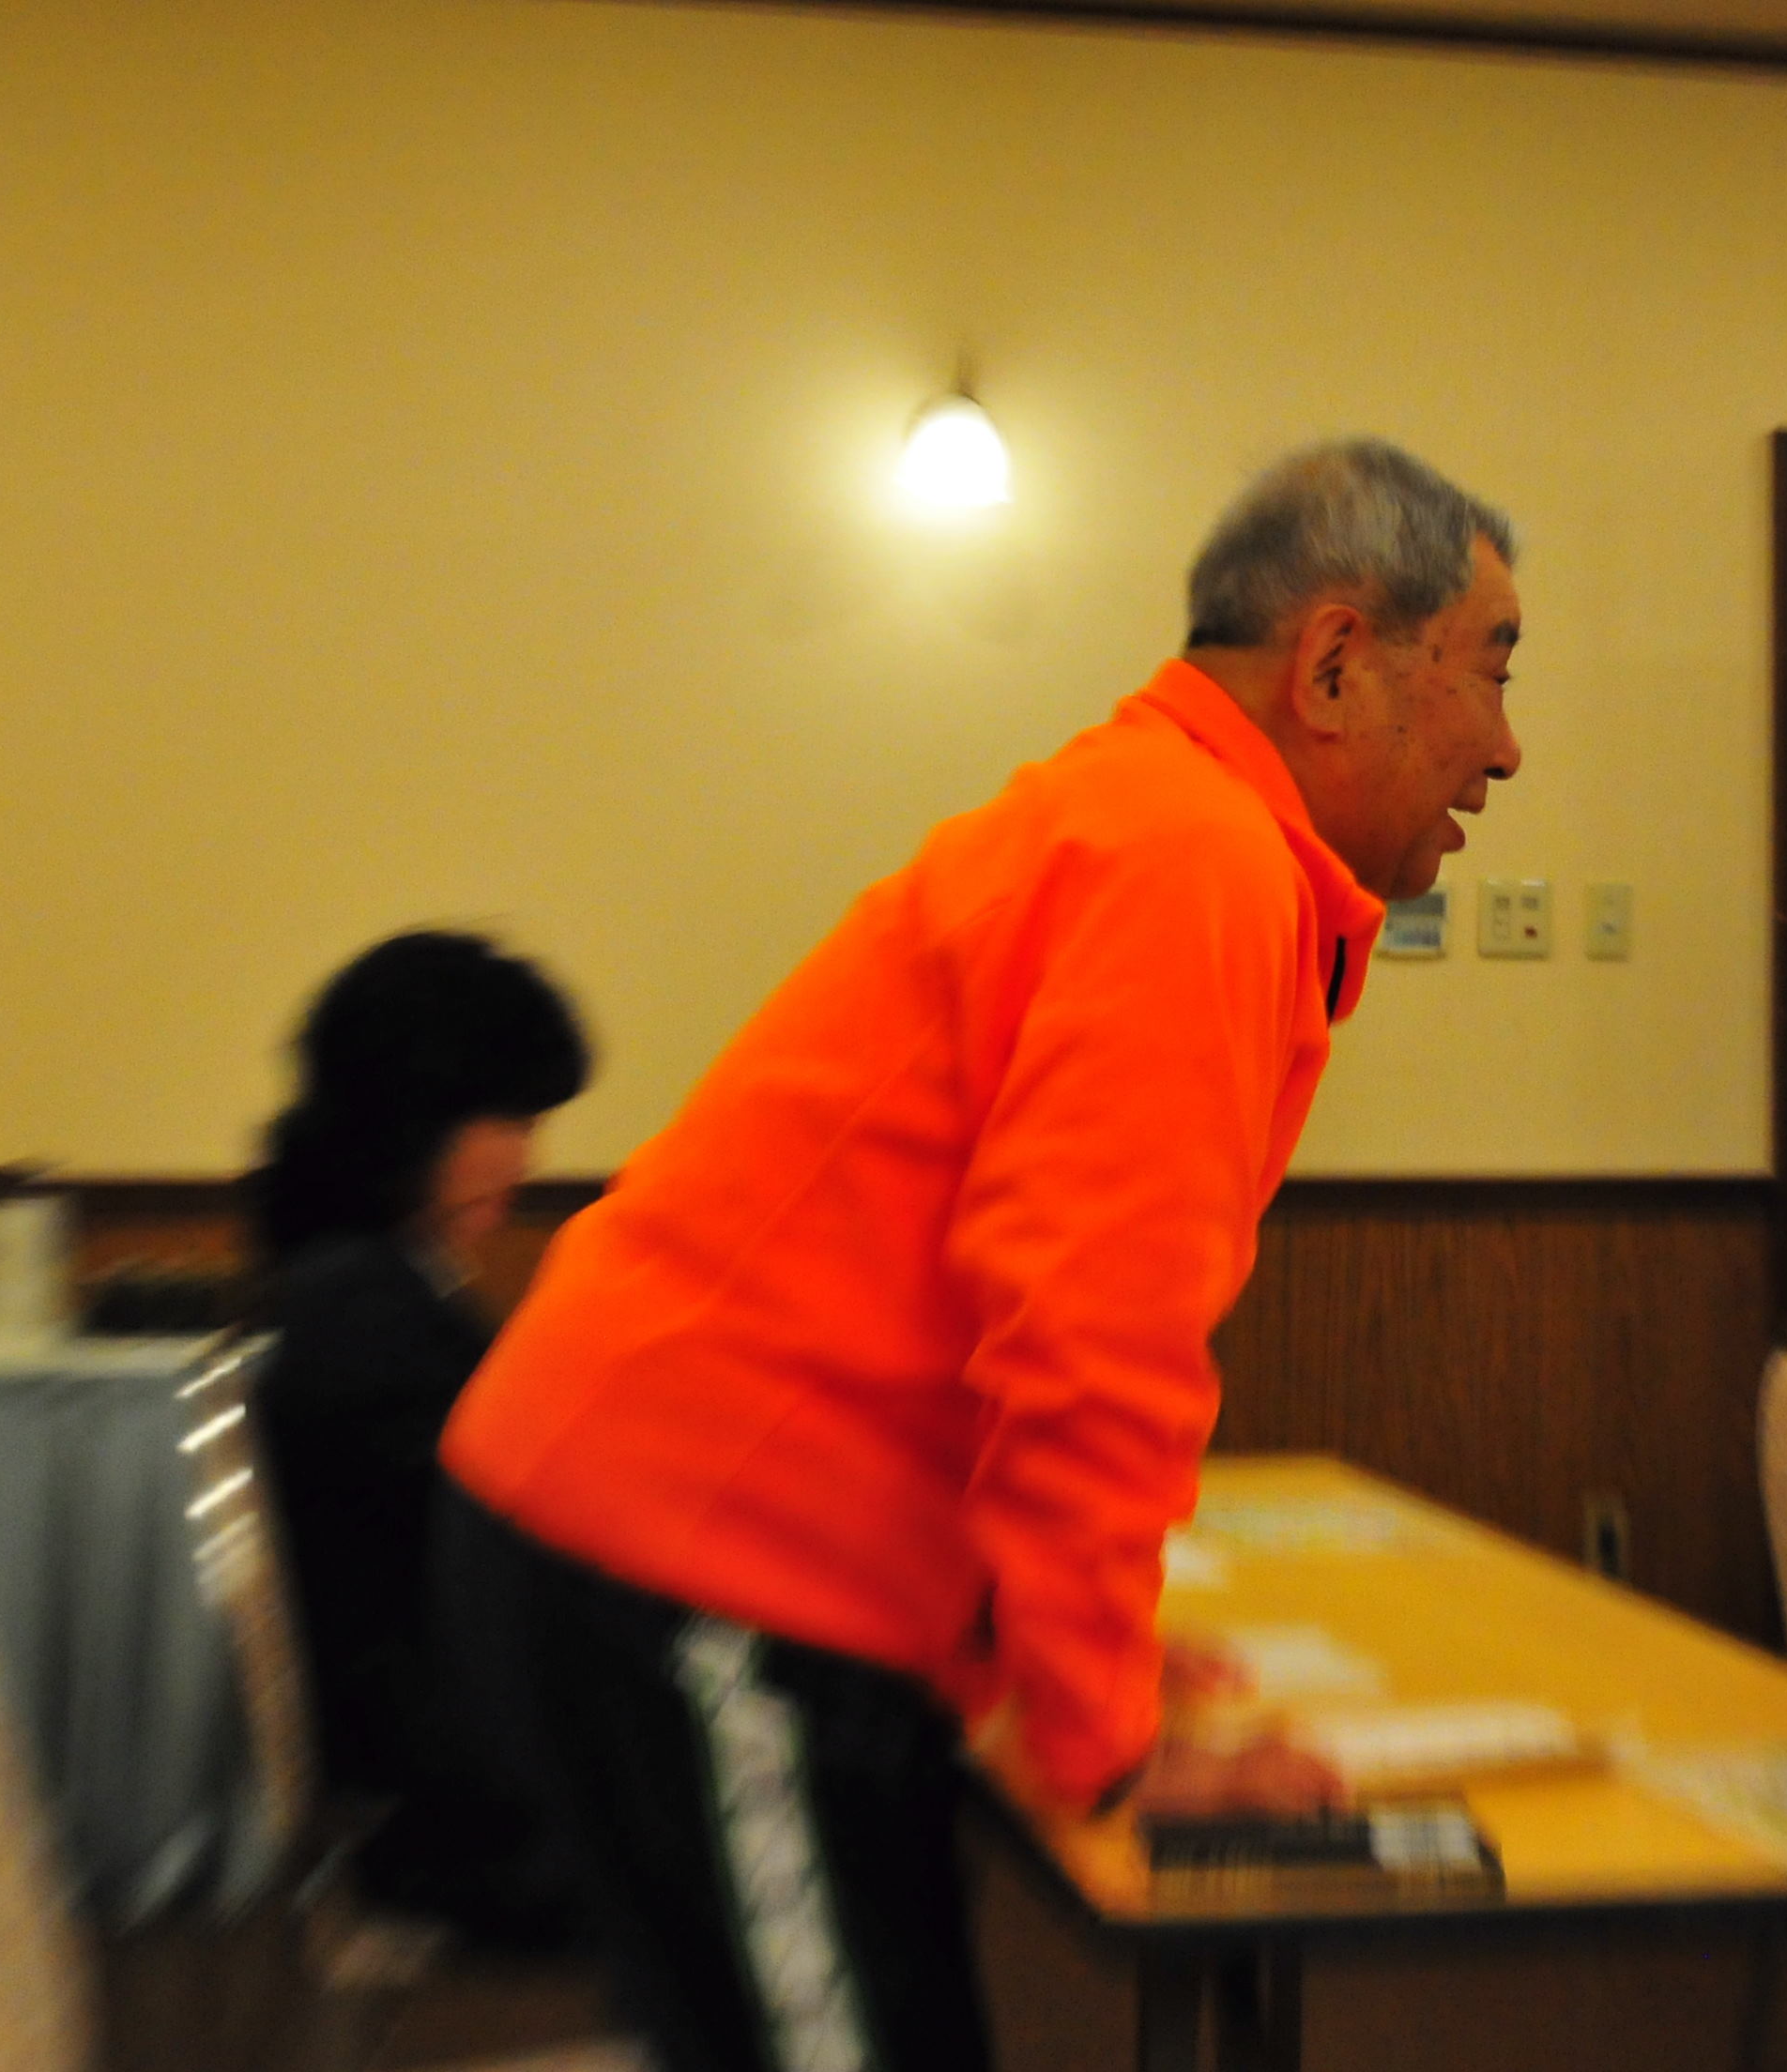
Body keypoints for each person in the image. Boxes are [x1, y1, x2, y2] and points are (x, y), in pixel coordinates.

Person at [433, 438, 1522, 2072]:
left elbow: (1016, 1293)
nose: (1506, 747)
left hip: (692, 1548)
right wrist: (1105, 1738)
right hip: (698, 1562)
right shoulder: (1193, 855)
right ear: (1335, 664)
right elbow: (1089, 1327)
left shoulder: (1155, 821)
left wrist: (1061, 1662)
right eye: (1492, 668)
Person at [242, 927, 592, 1945]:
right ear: (406, 1118)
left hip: (448, 1788)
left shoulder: (366, 1280)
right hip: (458, 1826)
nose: (524, 1158)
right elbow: (500, 1563)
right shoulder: (362, 1311)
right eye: (505, 1118)